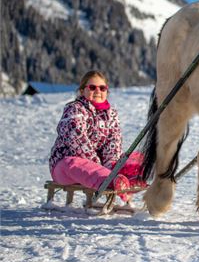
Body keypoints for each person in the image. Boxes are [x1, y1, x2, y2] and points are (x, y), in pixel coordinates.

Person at [49, 70, 146, 203]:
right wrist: (99, 165)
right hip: (65, 166)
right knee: (75, 163)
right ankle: (113, 181)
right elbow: (76, 139)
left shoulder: (111, 115)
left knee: (130, 159)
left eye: (102, 88)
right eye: (92, 87)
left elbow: (113, 143)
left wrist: (112, 165)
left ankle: (133, 178)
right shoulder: (75, 109)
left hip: (100, 168)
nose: (98, 91)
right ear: (82, 91)